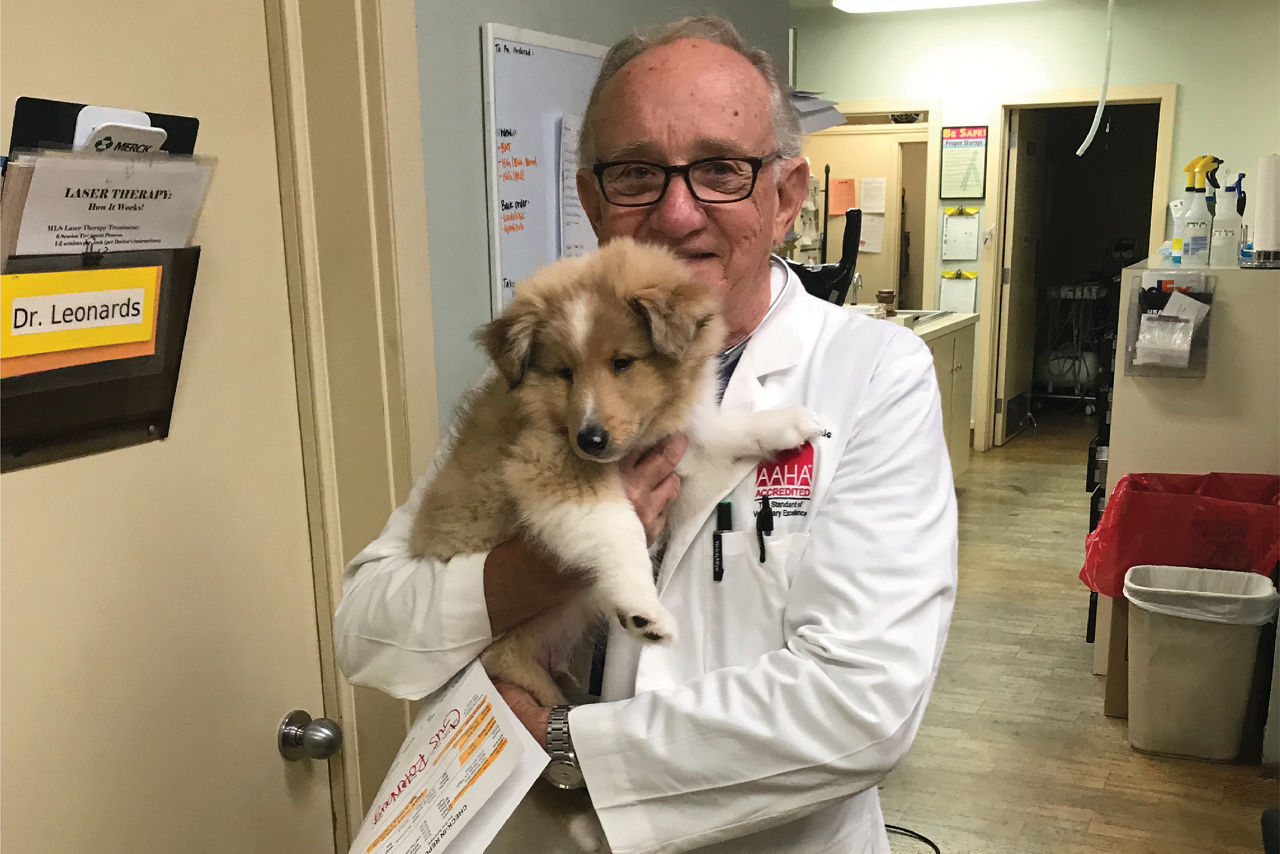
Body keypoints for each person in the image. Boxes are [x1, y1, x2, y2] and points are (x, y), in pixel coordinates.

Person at [335, 15, 956, 854]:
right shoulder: (546, 373)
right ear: (593, 201)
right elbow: (368, 628)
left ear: (786, 196)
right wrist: (542, 566)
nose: (676, 210)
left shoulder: (875, 374)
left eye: (722, 170)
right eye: (636, 173)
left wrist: (567, 746)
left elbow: (862, 706)